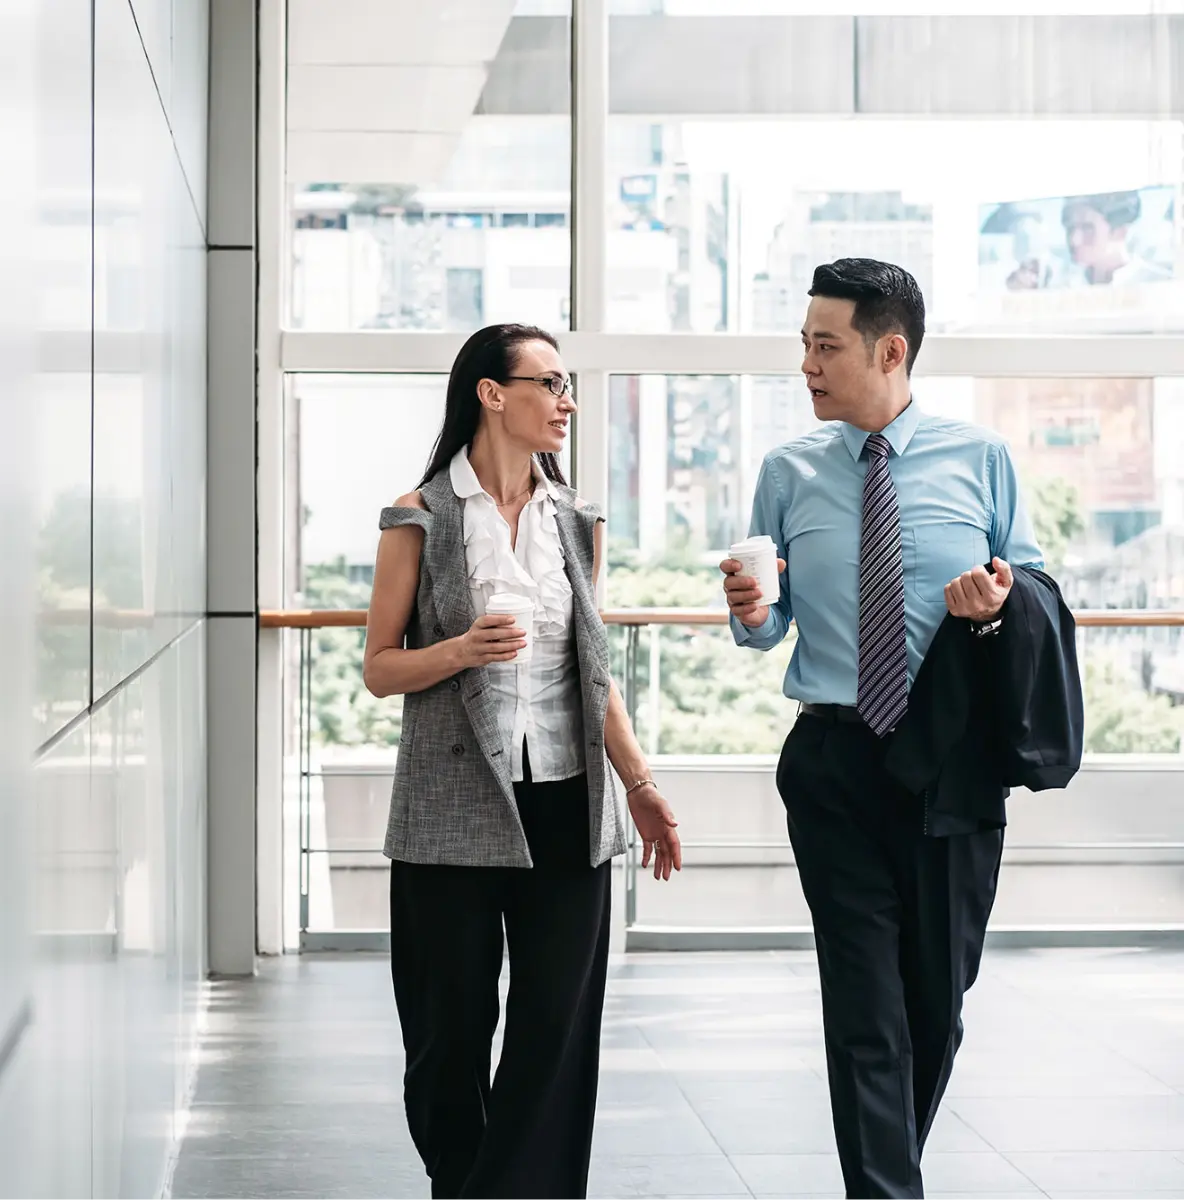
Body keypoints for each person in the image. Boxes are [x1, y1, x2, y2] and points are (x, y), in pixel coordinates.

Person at [721, 259, 1076, 1199]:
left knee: (933, 1007)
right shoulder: (787, 471)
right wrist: (753, 609)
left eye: (824, 346)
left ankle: (888, 1172)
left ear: (890, 351)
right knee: (865, 1011)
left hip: (952, 764)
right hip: (833, 760)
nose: (806, 365)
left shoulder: (982, 459)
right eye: (803, 344)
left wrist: (996, 604)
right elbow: (765, 624)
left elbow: (1034, 593)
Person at [363, 323, 682, 1200]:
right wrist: (460, 651)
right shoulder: (419, 517)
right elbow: (380, 668)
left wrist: (640, 784)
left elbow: (595, 674)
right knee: (447, 1038)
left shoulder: (577, 520)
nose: (566, 402)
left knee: (555, 1034)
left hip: (568, 804)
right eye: (550, 384)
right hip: (452, 807)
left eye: (567, 385)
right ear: (493, 394)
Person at [1061, 190, 1172, 286]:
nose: (1074, 240)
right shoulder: (1064, 286)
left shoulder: (1162, 284)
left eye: (1087, 228)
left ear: (1120, 231)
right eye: (1070, 227)